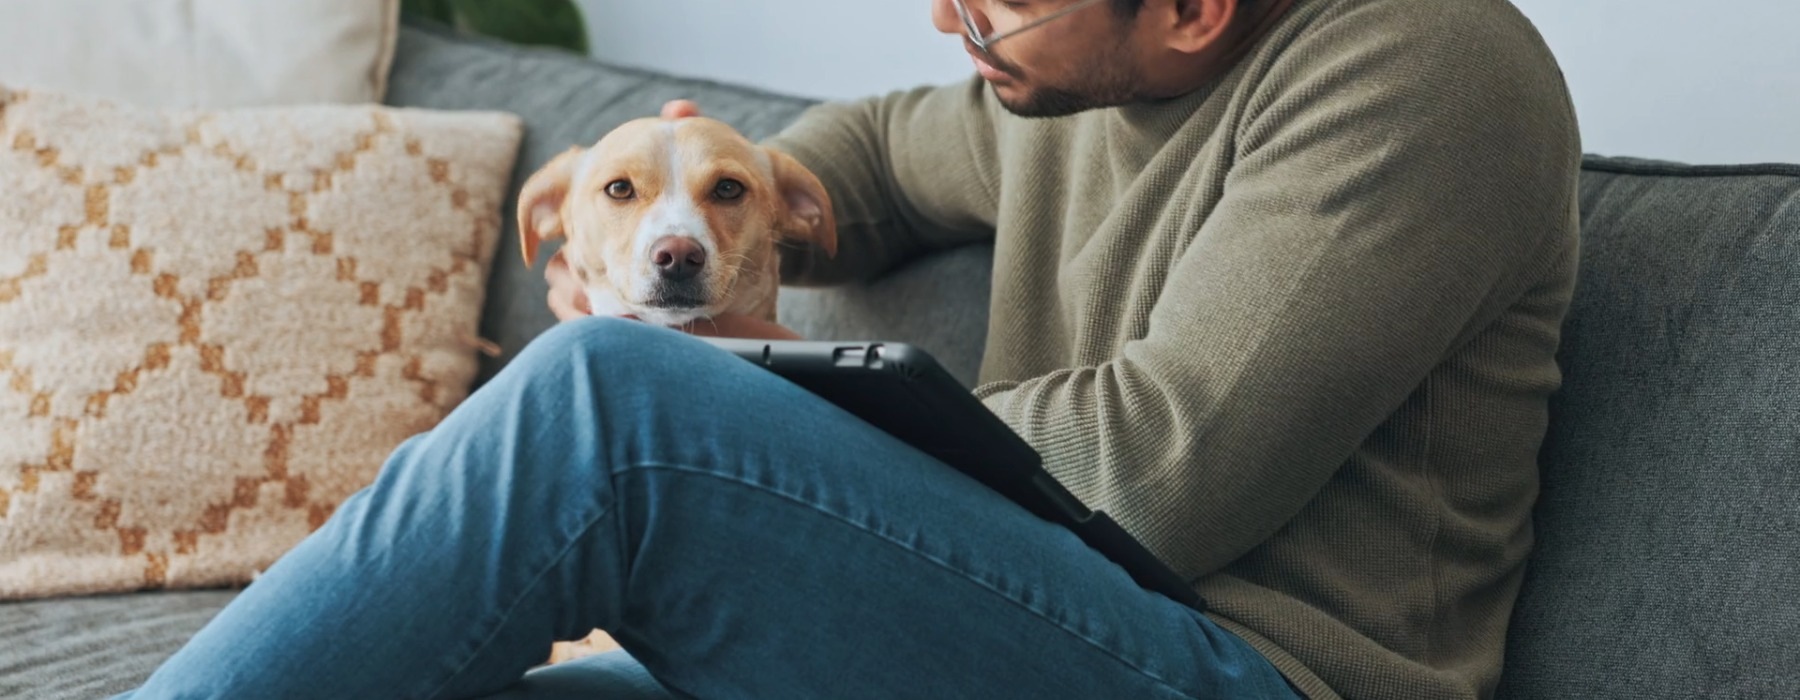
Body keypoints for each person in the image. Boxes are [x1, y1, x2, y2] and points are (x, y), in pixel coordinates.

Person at [120, 0, 1579, 697]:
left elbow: (1159, 465)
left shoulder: (1419, 69)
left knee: (608, 410)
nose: (953, 16)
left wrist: (729, 390)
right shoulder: (1056, 81)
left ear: (1195, 11)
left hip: (1244, 670)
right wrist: (696, 223)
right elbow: (865, 159)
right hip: (1041, 615)